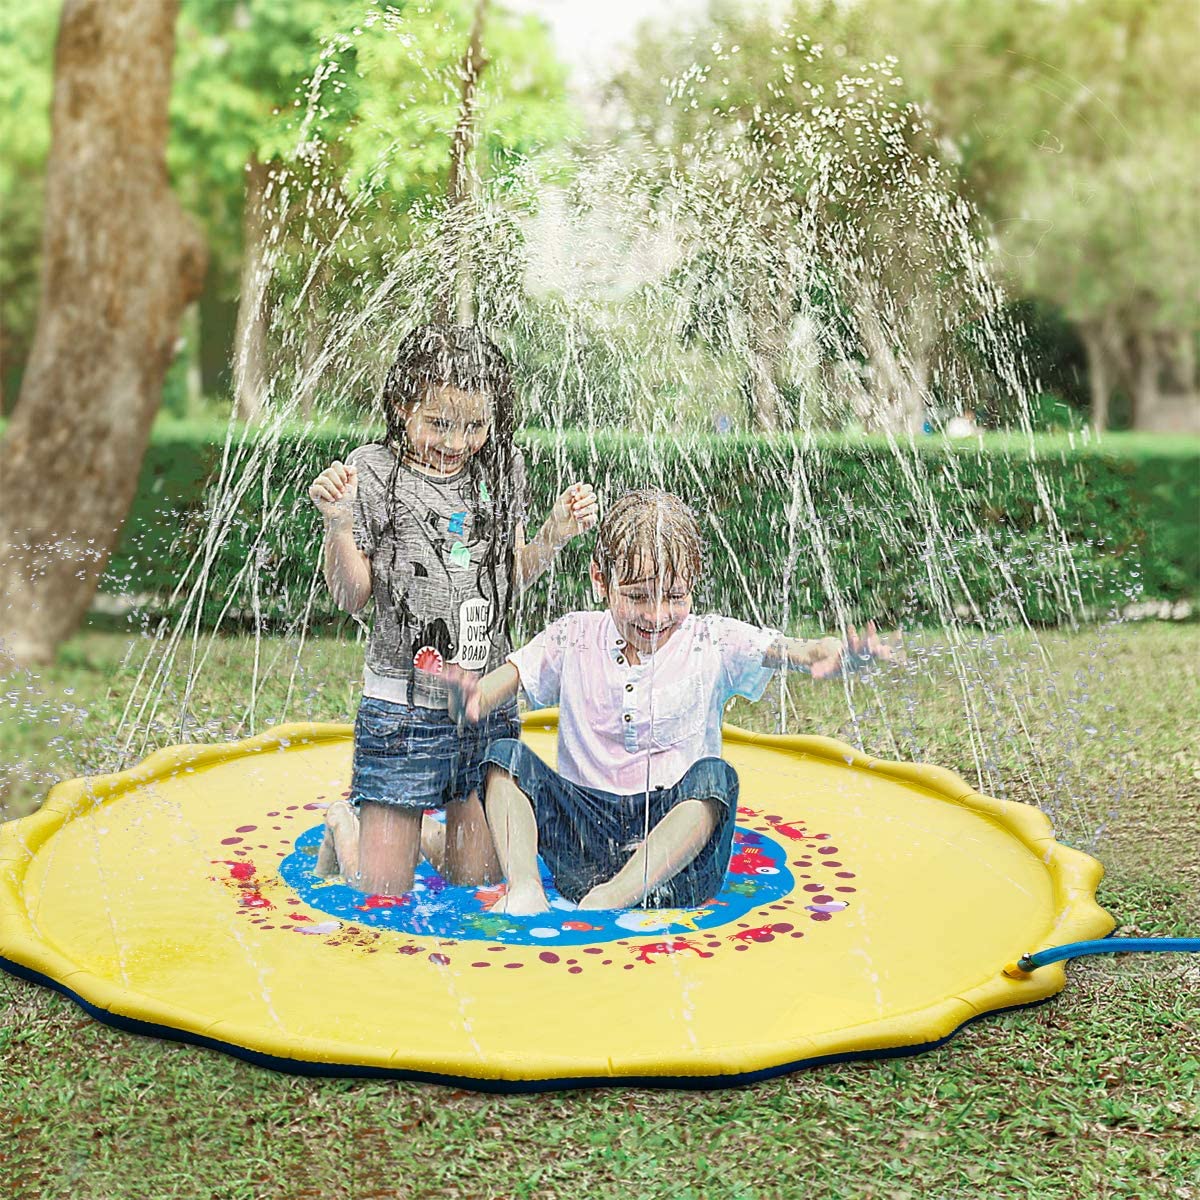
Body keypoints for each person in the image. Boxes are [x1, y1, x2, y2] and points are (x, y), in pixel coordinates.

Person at [440, 488, 900, 915]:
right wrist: (472, 698)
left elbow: (794, 649)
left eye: (674, 597)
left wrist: (830, 654)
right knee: (503, 758)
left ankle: (617, 893)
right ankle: (525, 890)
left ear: (694, 584)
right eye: (637, 596)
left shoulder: (711, 639)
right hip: (583, 846)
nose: (656, 616)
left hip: (678, 866)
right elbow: (504, 682)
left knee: (714, 778)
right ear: (601, 579)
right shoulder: (574, 636)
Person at [308, 324, 597, 896]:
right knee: (382, 893)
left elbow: (505, 575)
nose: (458, 442)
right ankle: (347, 825)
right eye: (439, 423)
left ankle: (411, 837)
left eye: (476, 425)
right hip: (403, 710)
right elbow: (352, 597)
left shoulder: (501, 469)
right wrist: (339, 524)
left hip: (481, 704)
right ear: (400, 405)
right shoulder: (373, 473)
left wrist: (553, 535)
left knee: (481, 879)